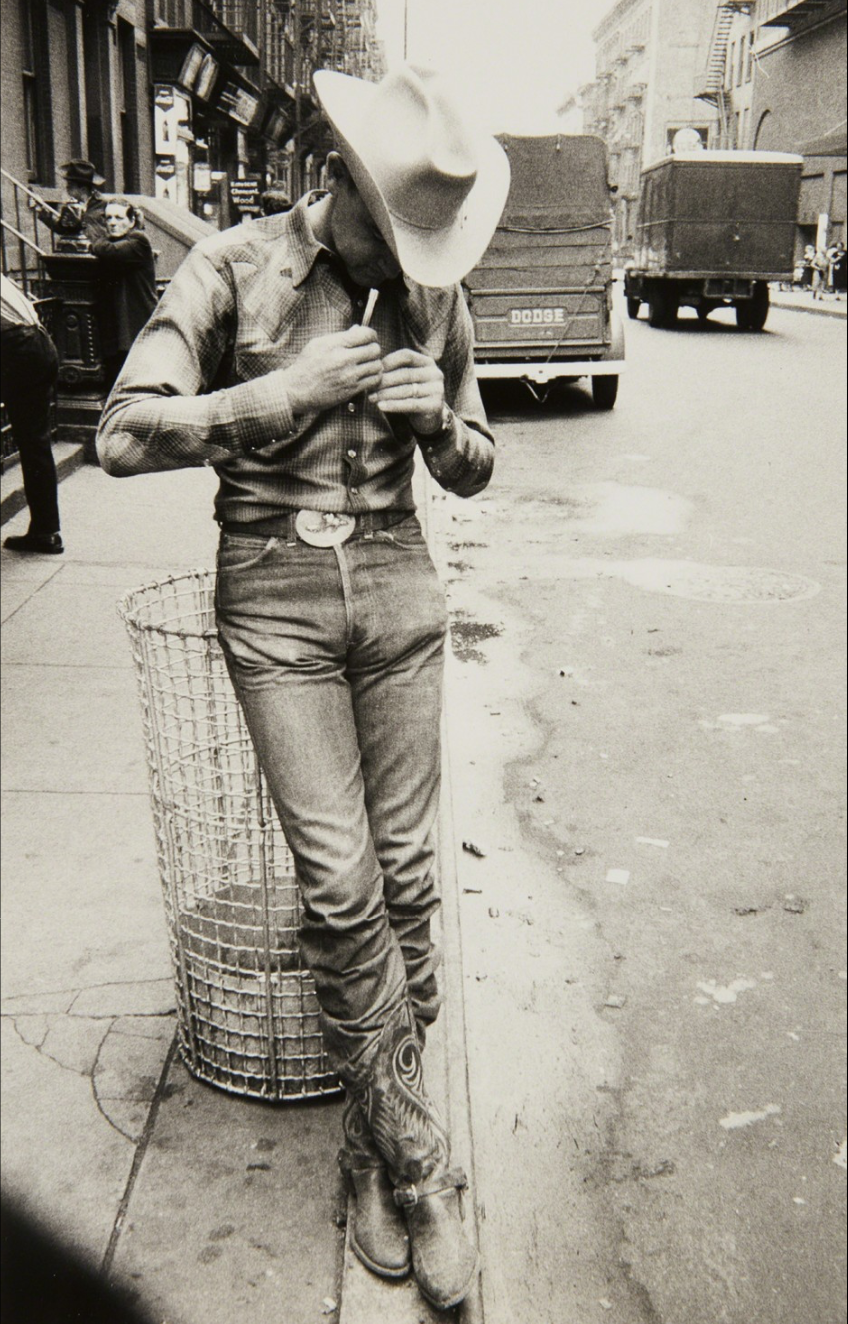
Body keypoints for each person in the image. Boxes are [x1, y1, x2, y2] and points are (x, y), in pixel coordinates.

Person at [97, 64, 509, 1313]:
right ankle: (424, 1164)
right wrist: (275, 397)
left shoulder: (435, 295)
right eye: (396, 229)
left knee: (410, 875)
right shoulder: (226, 266)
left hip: (397, 581)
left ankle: (375, 1140)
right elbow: (120, 431)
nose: (411, 261)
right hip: (271, 586)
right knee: (337, 883)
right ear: (337, 179)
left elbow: (481, 463)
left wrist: (439, 424)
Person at [1, 273, 63, 555]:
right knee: (35, 443)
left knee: (32, 442)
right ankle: (46, 531)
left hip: (15, 346)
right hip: (38, 342)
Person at [89, 197, 158, 390]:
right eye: (109, 218)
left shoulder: (138, 241)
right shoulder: (117, 241)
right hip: (118, 325)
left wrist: (93, 243)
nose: (112, 223)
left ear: (132, 221)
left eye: (119, 218)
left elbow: (109, 250)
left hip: (137, 322)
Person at [32, 160, 108, 244]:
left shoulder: (103, 204)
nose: (67, 189)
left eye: (70, 186)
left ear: (83, 189)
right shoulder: (72, 206)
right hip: (76, 250)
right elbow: (62, 228)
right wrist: (41, 210)